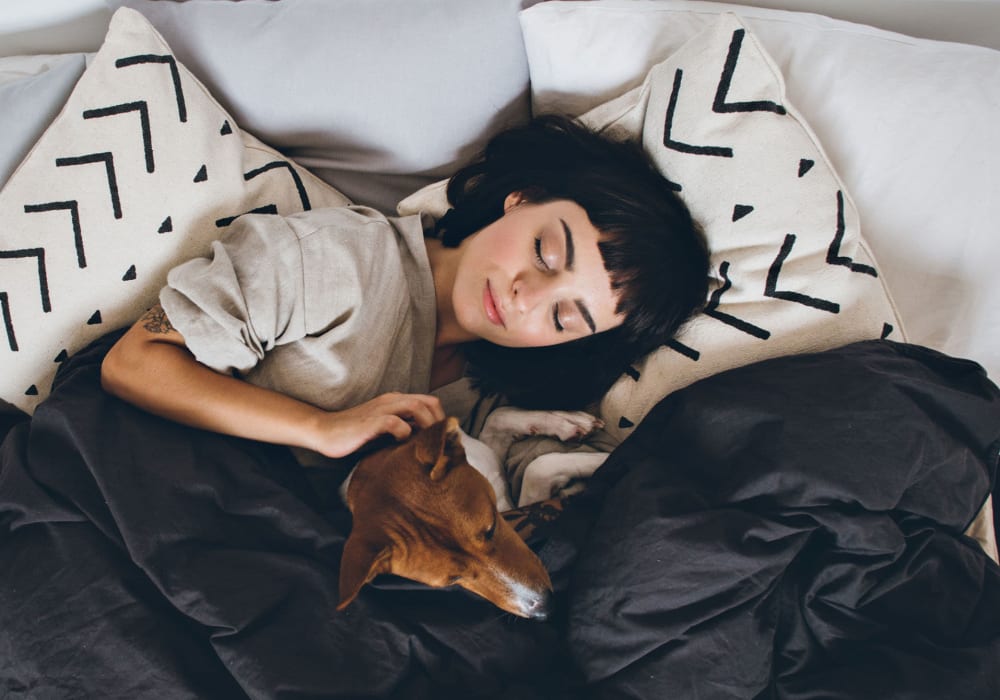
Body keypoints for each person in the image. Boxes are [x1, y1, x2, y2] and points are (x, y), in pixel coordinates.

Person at [101, 115, 709, 463]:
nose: (527, 295)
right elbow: (132, 364)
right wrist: (319, 428)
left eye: (565, 317)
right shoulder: (338, 258)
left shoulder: (489, 396)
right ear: (520, 199)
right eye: (545, 252)